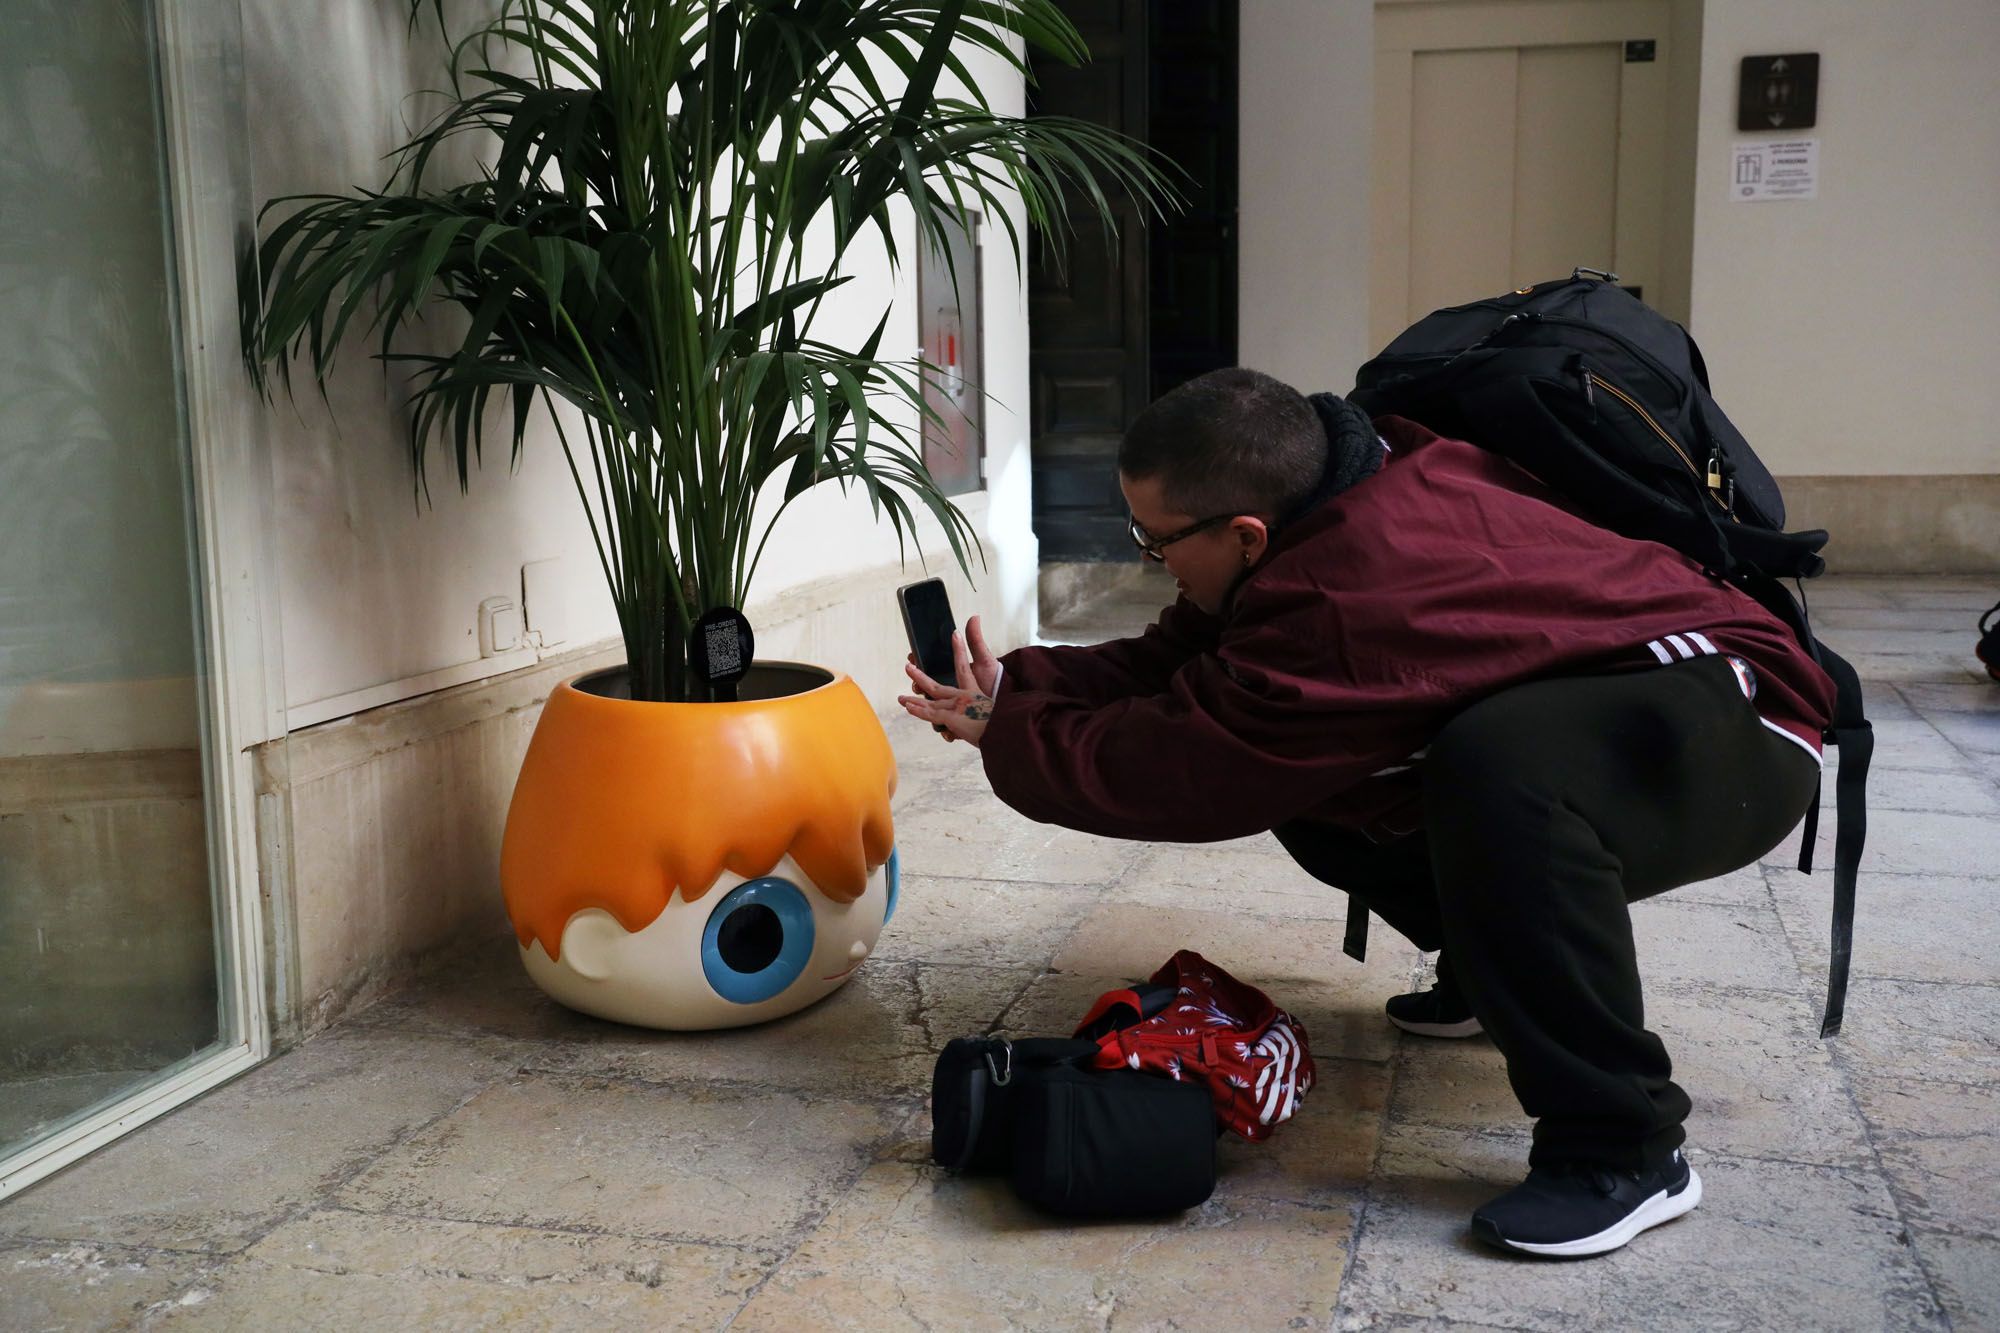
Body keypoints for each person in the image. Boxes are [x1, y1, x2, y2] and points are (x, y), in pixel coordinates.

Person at [897, 367, 1834, 1259]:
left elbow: (1187, 761)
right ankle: (1490, 972)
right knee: (1341, 781)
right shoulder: (1333, 494)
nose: (1148, 558)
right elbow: (1176, 662)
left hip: (1734, 716)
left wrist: (1008, 740)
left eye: (1158, 539)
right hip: (1614, 693)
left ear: (1249, 533)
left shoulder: (1347, 593)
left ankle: (1624, 1147)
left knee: (1501, 769)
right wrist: (1017, 690)